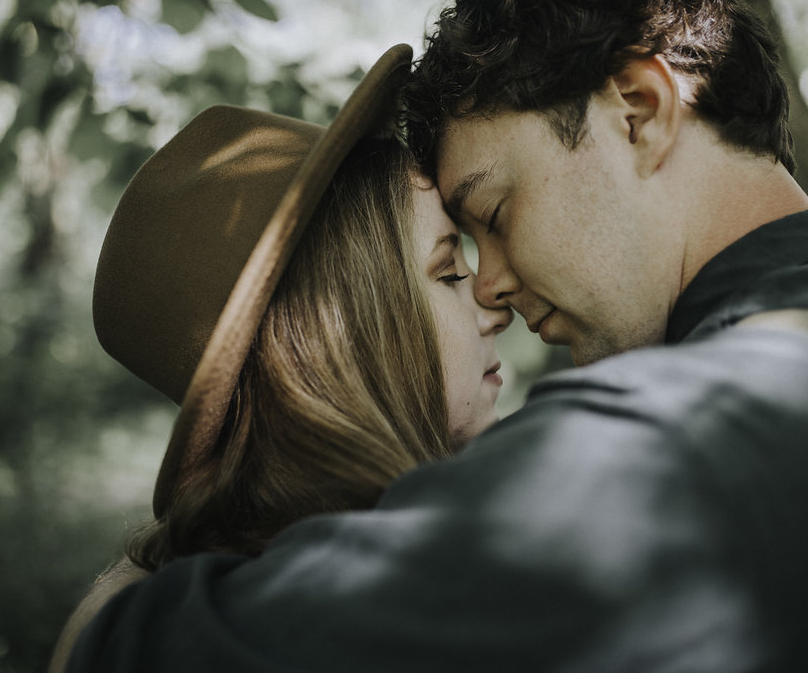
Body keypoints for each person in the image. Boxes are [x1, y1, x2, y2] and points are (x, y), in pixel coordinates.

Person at [68, 0, 808, 671]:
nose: (492, 285)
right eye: (456, 259)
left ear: (641, 112)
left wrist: (111, 609)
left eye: (493, 211)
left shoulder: (699, 436)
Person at [50, 44, 510, 672]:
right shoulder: (350, 617)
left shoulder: (156, 611)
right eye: (449, 270)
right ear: (341, 331)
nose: (494, 303)